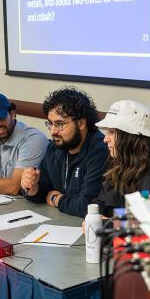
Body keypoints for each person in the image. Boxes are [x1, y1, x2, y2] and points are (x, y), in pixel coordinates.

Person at [20, 87, 109, 217]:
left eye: (60, 124)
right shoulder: (56, 147)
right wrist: (33, 188)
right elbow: (44, 188)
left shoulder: (100, 150)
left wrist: (56, 199)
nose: (53, 131)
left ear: (81, 123)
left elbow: (88, 206)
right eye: (50, 124)